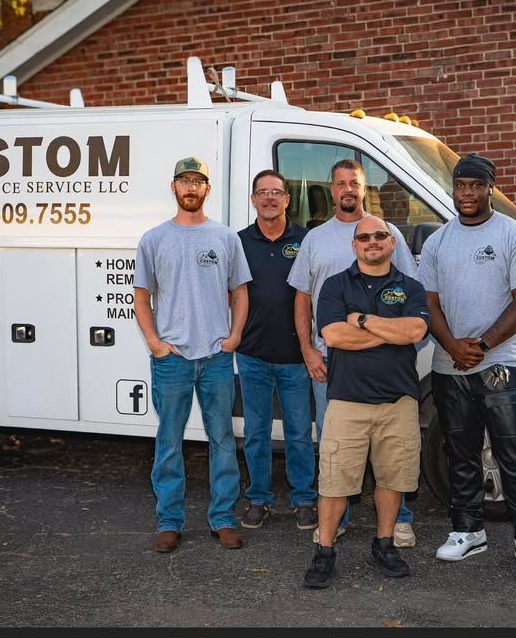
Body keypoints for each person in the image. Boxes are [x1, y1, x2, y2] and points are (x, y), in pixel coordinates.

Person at [417, 153, 516, 574]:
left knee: (515, 451)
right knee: (460, 451)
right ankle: (467, 530)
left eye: (476, 185)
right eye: (461, 185)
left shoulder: (514, 235)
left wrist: (485, 343)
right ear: (453, 189)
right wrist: (453, 345)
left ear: (491, 188)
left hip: (503, 362)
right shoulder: (439, 241)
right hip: (448, 363)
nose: (468, 193)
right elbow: (429, 303)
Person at [288, 158, 420, 547]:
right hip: (330, 362)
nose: (348, 189)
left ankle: (399, 521)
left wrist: (366, 325)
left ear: (365, 189)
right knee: (336, 449)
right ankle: (338, 519)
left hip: (389, 369)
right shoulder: (315, 239)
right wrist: (310, 351)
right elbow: (302, 300)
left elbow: (411, 302)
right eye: (341, 183)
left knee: (394, 449)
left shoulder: (386, 231)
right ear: (331, 190)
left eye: (355, 183)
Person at [302, 216, 429, 588]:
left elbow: (417, 331)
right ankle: (325, 551)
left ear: (392, 243)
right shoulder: (335, 285)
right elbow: (334, 336)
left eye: (379, 236)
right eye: (364, 237)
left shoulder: (411, 287)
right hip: (346, 400)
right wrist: (391, 332)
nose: (372, 241)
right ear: (354, 245)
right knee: (334, 482)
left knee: (392, 479)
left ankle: (384, 544)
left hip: (398, 401)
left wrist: (361, 320)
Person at [133, 156, 251, 553]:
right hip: (172, 359)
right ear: (174, 187)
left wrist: (234, 334)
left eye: (197, 181)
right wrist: (154, 341)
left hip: (216, 357)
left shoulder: (225, 238)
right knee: (169, 442)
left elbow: (241, 291)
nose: (190, 187)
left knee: (221, 438)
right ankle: (170, 521)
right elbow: (141, 296)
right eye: (183, 180)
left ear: (207, 189)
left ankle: (223, 518)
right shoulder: (154, 239)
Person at [235, 169, 318, 531]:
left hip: (296, 356)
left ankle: (304, 499)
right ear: (253, 199)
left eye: (276, 193)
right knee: (255, 432)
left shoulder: (307, 240)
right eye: (262, 192)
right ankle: (259, 499)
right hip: (252, 354)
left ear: (287, 199)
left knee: (300, 432)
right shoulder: (238, 241)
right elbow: (229, 291)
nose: (269, 198)